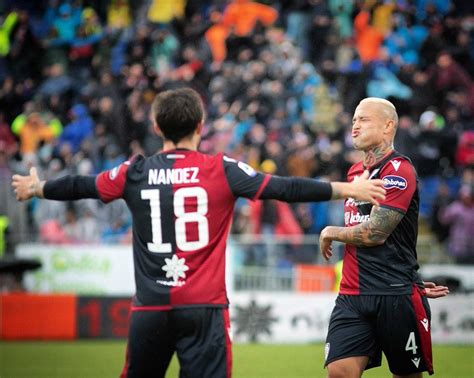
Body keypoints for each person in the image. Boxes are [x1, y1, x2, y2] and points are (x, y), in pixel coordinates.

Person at [12, 88, 386, 378]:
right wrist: (347, 189)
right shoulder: (220, 169)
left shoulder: (134, 172)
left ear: (157, 127)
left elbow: (82, 185)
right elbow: (284, 188)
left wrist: (39, 187)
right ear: (200, 126)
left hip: (151, 308)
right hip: (204, 310)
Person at [319, 97, 450, 378]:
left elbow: (376, 233)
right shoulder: (355, 173)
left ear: (388, 125)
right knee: (339, 373)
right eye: (354, 120)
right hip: (352, 295)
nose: (355, 126)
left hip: (394, 295)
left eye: (363, 119)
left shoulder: (398, 171)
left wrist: (332, 232)